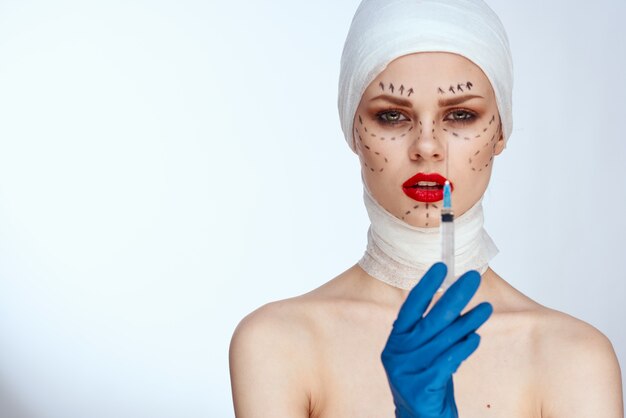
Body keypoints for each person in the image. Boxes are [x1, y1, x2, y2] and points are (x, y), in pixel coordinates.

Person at [229, 0, 624, 416]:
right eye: (392, 117)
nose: (427, 146)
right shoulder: (278, 343)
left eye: (460, 114)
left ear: (501, 130)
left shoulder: (574, 358)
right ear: (353, 130)